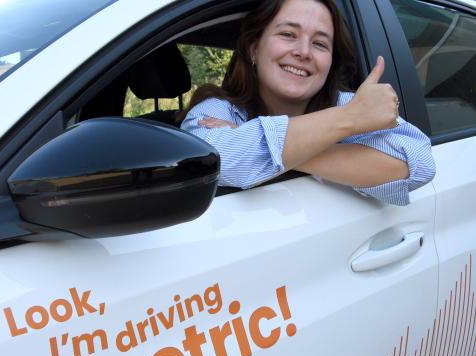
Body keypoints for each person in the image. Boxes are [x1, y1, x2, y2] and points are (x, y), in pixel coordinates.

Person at [180, 0, 435, 205]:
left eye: (320, 43)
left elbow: (420, 163)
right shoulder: (216, 108)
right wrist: (349, 120)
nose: (303, 51)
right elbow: (215, 161)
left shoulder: (347, 102)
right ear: (253, 49)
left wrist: (255, 141)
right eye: (288, 34)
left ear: (330, 62)